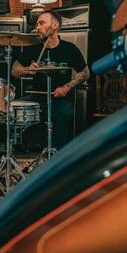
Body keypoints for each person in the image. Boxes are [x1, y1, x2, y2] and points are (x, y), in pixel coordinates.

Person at [12, 10, 90, 149]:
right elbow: (14, 70)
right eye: (37, 24)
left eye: (42, 23)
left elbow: (85, 73)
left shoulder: (69, 49)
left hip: (60, 99)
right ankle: (25, 150)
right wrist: (28, 70)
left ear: (55, 25)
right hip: (37, 97)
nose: (37, 27)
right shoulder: (33, 49)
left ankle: (57, 154)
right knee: (14, 109)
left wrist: (67, 87)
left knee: (57, 113)